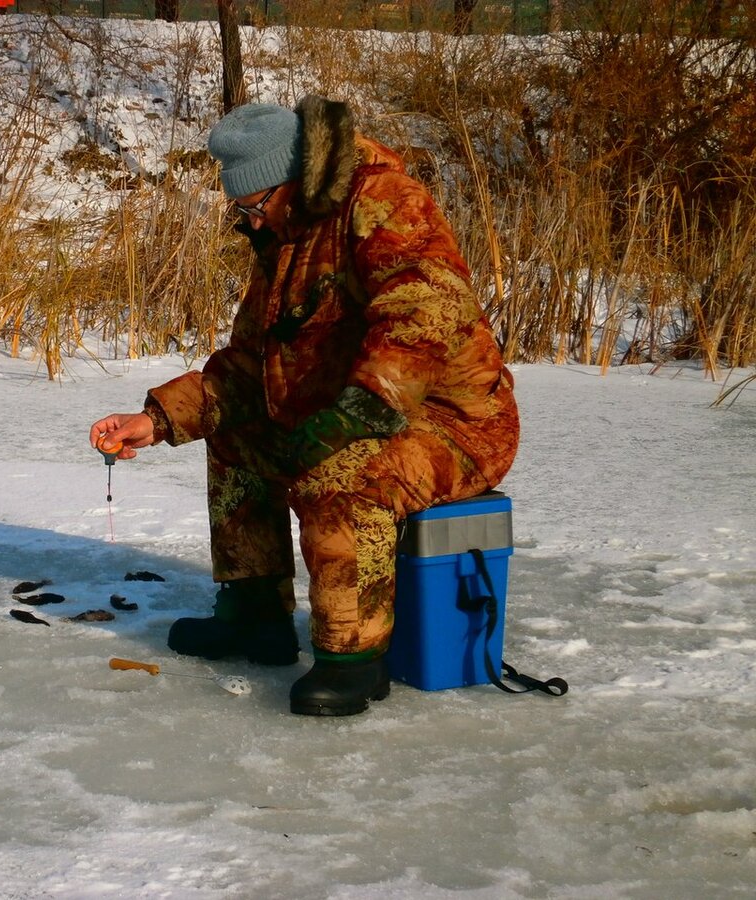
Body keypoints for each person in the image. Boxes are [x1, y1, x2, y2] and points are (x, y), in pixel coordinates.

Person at [89, 96, 519, 717]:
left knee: (344, 470)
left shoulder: (385, 201)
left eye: (252, 207)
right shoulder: (289, 238)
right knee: (238, 435)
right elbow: (246, 366)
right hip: (346, 409)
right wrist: (154, 420)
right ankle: (254, 615)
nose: (250, 222)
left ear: (288, 183)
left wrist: (357, 412)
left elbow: (428, 310)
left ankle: (354, 659)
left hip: (453, 420)